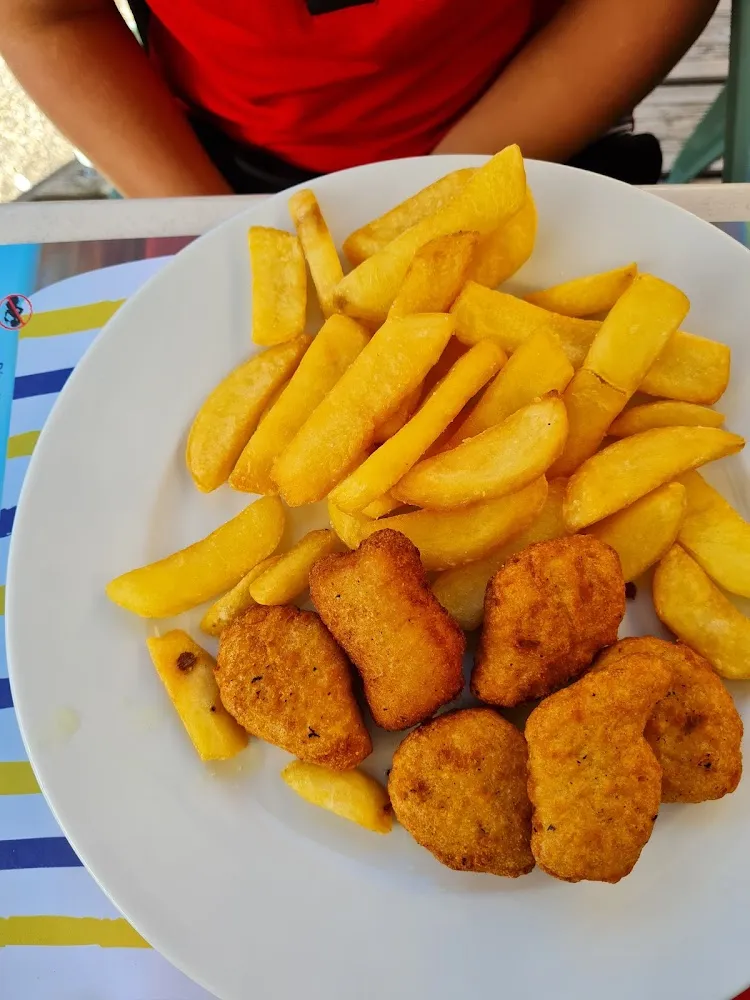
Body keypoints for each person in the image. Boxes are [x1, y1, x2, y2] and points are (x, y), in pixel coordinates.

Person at [1, 0, 719, 197]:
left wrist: (445, 191)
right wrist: (204, 223)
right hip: (215, 168)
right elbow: (49, 14)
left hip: (535, 128)